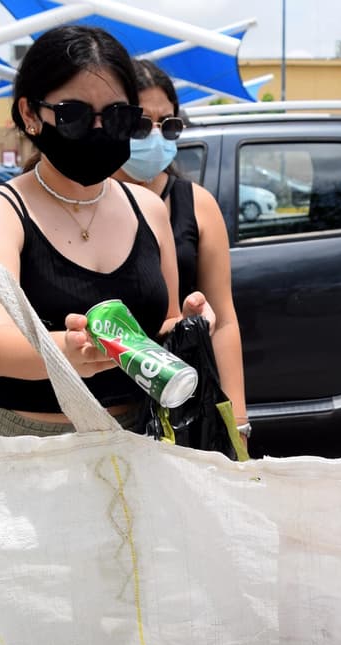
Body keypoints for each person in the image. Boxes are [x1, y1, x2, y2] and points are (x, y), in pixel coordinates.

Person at [0, 26, 211, 437]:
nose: (98, 131)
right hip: (29, 444)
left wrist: (191, 325)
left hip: (139, 437)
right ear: (29, 114)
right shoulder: (1, 211)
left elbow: (162, 326)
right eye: (74, 115)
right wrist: (69, 351)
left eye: (116, 117)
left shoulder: (148, 209)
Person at [112, 59, 248, 435]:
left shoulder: (197, 203)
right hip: (109, 405)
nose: (155, 138)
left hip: (185, 404)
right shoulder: (89, 204)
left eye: (168, 125)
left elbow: (224, 321)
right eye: (141, 125)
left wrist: (237, 421)